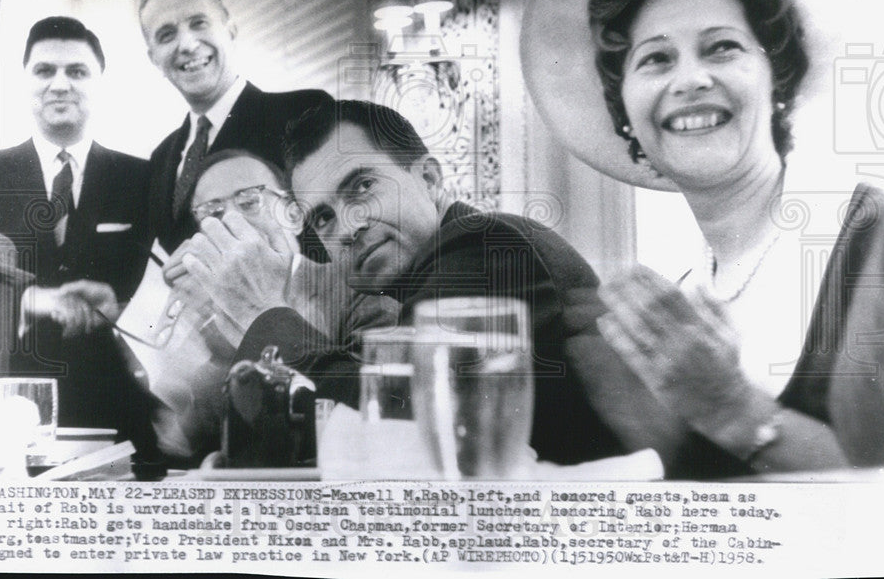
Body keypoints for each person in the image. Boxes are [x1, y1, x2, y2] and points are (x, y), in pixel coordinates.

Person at [524, 0, 884, 477]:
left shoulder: (880, 237)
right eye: (656, 58)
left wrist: (727, 406)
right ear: (626, 114)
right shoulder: (676, 298)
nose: (691, 79)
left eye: (722, 47)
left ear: (778, 79)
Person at [179, 100, 630, 466]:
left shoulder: (484, 243)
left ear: (429, 178)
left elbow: (406, 427)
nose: (348, 226)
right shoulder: (432, 272)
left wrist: (265, 314)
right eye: (324, 217)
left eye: (362, 186)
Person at [0, 16, 158, 457]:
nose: (60, 84)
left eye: (77, 71)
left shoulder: (143, 179)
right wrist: (27, 299)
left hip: (115, 419)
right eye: (44, 71)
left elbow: (164, 294)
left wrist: (121, 308)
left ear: (100, 84)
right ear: (24, 83)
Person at [124, 148, 397, 466]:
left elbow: (381, 419)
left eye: (249, 201)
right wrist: (212, 349)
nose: (231, 220)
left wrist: (266, 320)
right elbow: (181, 441)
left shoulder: (358, 287)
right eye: (212, 212)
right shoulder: (209, 315)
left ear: (294, 215)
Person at [137, 0, 333, 256]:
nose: (188, 45)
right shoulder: (160, 159)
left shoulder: (303, 114)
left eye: (198, 23)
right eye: (167, 35)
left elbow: (335, 240)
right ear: (154, 57)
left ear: (231, 31)